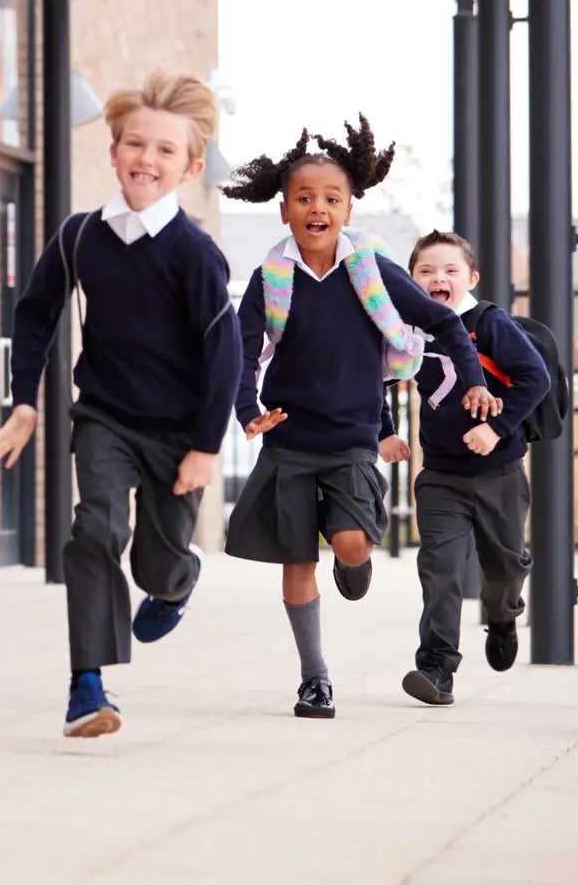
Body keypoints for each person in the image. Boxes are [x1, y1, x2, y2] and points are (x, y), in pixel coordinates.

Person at [0, 71, 240, 739]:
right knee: (94, 528)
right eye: (133, 143)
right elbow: (36, 313)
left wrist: (207, 447)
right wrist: (25, 401)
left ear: (190, 165)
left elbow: (224, 353)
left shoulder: (197, 255)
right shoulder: (80, 236)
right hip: (104, 416)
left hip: (180, 430)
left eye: (162, 149)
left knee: (155, 560)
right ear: (114, 150)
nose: (145, 159)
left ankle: (177, 578)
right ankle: (87, 684)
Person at [224, 119, 495, 721]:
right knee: (298, 562)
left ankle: (356, 560)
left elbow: (446, 322)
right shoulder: (272, 277)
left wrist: (474, 379)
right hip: (290, 438)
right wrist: (248, 409)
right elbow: (242, 350)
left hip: (350, 438)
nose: (317, 207)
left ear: (348, 209)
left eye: (331, 199)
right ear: (285, 211)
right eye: (304, 198)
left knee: (349, 543)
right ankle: (315, 679)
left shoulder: (370, 269)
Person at [392, 231, 548, 706]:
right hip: (440, 476)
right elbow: (374, 375)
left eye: (450, 270)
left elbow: (535, 378)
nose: (438, 278)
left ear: (471, 278)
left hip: (498, 474)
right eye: (426, 271)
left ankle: (502, 616)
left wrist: (496, 429)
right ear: (412, 281)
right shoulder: (407, 329)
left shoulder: (489, 323)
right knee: (440, 570)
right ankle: (436, 668)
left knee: (504, 568)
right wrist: (381, 430)